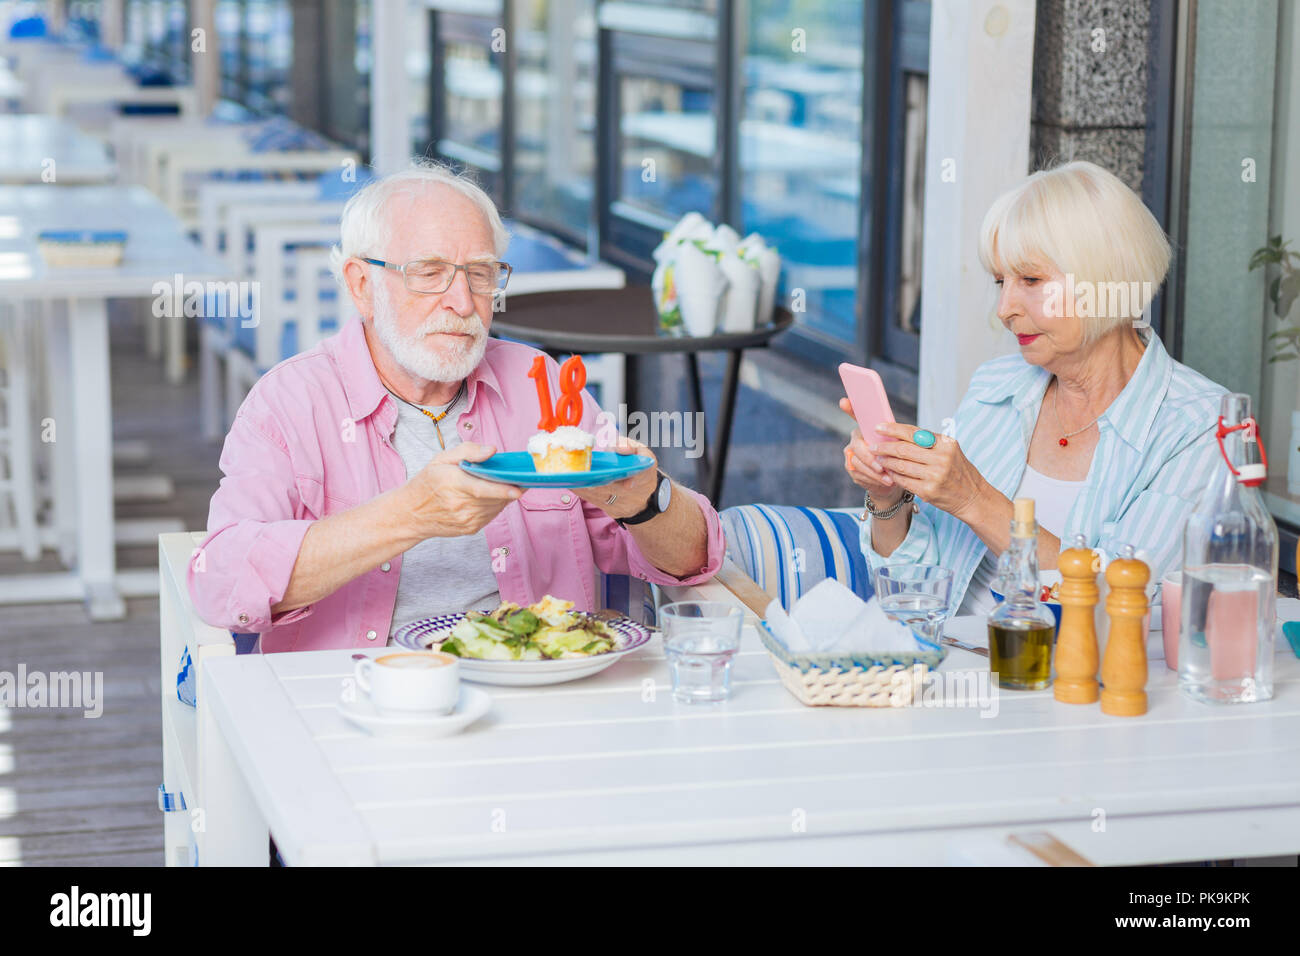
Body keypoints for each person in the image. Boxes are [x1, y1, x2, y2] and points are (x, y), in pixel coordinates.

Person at [189, 161, 723, 652]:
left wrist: (646, 501)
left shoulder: (542, 389)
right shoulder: (290, 402)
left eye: (481, 274)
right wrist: (410, 514)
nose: (463, 302)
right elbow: (220, 581)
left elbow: (690, 561)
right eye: (429, 272)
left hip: (543, 700)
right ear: (361, 285)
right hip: (359, 712)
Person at [842, 160, 1228, 614]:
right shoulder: (996, 388)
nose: (1005, 308)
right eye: (1001, 281)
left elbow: (1122, 604)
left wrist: (974, 499)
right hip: (950, 660)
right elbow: (912, 585)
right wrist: (888, 496)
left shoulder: (1202, 425)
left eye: (1030, 280)